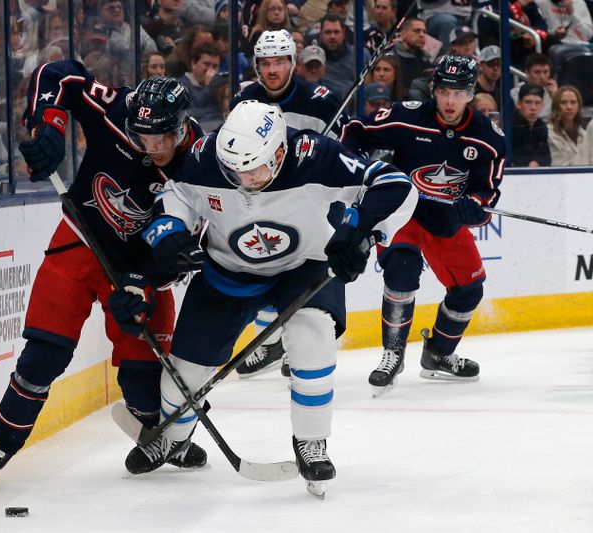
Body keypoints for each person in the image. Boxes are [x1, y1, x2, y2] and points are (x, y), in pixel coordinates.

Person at [113, 100, 416, 497]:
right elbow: (177, 197)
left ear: (278, 152)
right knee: (184, 372)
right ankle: (173, 436)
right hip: (228, 270)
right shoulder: (207, 157)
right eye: (233, 169)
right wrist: (170, 230)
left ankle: (311, 441)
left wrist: (360, 229)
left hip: (305, 266)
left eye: (253, 167)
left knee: (314, 340)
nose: (242, 178)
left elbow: (395, 184)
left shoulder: (315, 155)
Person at [0, 68, 207, 486]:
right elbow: (60, 75)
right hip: (79, 242)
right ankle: (1, 442)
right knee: (44, 354)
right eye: (144, 137)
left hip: (139, 270)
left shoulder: (201, 162)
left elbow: (183, 249)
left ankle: (164, 433)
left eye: (164, 137)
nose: (154, 147)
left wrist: (145, 284)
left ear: (183, 125)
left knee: (142, 383)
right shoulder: (116, 108)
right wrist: (49, 124)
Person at [340, 55, 506, 396]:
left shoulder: (488, 139)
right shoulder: (408, 116)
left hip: (445, 222)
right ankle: (393, 354)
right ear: (434, 89)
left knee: (469, 290)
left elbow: (486, 193)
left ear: (471, 94)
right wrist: (357, 172)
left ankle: (439, 355)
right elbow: (355, 132)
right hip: (404, 212)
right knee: (402, 267)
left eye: (458, 93)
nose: (450, 101)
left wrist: (475, 207)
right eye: (444, 91)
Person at [229, 29, 350, 378]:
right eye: (265, 63)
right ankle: (269, 344)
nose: (272, 69)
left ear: (293, 63)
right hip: (267, 198)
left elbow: (342, 154)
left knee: (310, 270)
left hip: (313, 200)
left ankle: (297, 345)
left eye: (280, 61)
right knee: (266, 265)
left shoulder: (323, 101)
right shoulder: (245, 100)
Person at [547, 85, 590, 165]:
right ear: (556, 105)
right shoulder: (549, 133)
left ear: (579, 105)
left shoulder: (584, 135)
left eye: (573, 102)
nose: (569, 107)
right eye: (563, 102)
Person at [512, 83, 551, 166]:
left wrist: (537, 162)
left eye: (537, 103)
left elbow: (546, 157)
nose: (533, 108)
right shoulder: (510, 126)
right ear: (519, 104)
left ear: (542, 106)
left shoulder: (542, 126)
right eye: (528, 102)